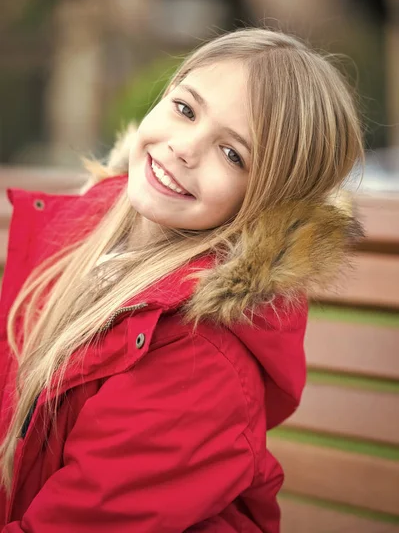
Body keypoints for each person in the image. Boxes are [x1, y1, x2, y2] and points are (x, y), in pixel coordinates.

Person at [0, 28, 364, 532]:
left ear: (266, 206)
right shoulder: (87, 232)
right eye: (186, 109)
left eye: (233, 154)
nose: (184, 148)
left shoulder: (201, 357)